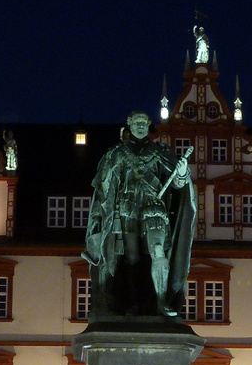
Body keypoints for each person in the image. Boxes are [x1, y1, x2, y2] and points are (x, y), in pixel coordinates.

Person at [82, 111, 196, 317]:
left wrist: (181, 172)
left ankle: (161, 302)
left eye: (144, 122)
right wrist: (99, 222)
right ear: (129, 125)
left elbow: (179, 185)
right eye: (137, 122)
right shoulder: (116, 154)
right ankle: (134, 304)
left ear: (149, 125)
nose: (141, 126)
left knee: (158, 251)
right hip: (127, 211)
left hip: (154, 210)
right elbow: (103, 191)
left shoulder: (161, 151)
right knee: (132, 258)